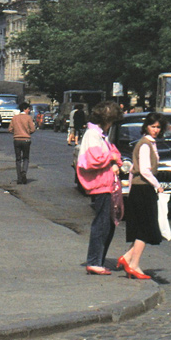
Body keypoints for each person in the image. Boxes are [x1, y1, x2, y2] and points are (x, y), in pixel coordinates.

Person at [76, 101, 123, 276]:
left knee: (109, 223)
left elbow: (115, 153)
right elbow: (94, 159)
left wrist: (113, 157)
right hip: (100, 184)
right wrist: (112, 158)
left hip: (108, 184)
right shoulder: (92, 135)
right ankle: (94, 261)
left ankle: (99, 260)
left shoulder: (101, 136)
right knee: (102, 223)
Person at [119, 112, 166, 280]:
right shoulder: (145, 145)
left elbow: (132, 170)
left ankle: (127, 258)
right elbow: (144, 170)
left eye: (158, 127)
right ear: (146, 127)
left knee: (143, 227)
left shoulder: (149, 144)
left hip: (139, 189)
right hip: (144, 189)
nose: (156, 130)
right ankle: (133, 264)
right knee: (145, 229)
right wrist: (157, 185)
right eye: (153, 127)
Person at [8, 100, 36, 183]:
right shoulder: (28, 118)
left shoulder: (15, 117)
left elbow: (10, 129)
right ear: (25, 109)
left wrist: (16, 132)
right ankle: (24, 172)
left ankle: (19, 177)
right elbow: (33, 129)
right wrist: (28, 132)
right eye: (28, 109)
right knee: (26, 158)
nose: (29, 111)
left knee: (18, 159)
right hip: (26, 139)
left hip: (17, 139)